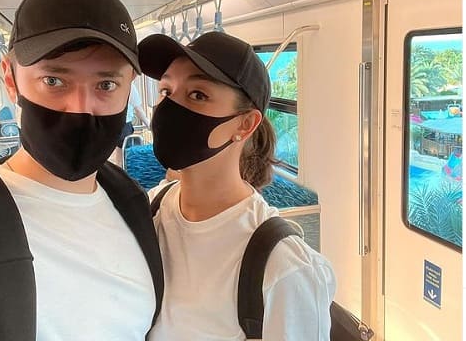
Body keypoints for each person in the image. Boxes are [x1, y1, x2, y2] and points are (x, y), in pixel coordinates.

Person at [0, 0, 163, 341]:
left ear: (129, 87)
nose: (80, 108)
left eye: (106, 85)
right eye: (53, 81)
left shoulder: (133, 203)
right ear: (11, 79)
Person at [138, 32, 336, 340]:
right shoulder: (150, 209)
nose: (170, 108)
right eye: (166, 91)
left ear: (245, 124)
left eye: (197, 95)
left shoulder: (283, 267)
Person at [111, 82, 150, 166]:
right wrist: (148, 124)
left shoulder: (111, 85)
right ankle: (124, 169)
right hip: (124, 123)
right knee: (127, 153)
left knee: (119, 151)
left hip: (112, 122)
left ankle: (119, 168)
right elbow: (138, 109)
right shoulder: (129, 85)